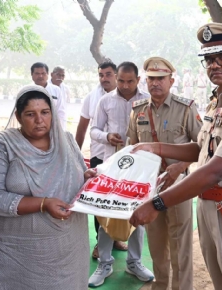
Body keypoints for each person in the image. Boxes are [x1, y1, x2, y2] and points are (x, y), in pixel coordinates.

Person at [127, 22, 222, 290]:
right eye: (209, 59)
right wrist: (157, 147)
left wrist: (156, 204)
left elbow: (215, 169)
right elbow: (202, 149)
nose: (214, 65)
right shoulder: (221, 101)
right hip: (215, 209)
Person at [0, 85, 90, 289]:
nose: (39, 120)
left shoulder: (67, 141)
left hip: (68, 251)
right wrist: (42, 204)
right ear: (18, 116)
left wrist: (90, 177)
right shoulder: (2, 144)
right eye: (30, 114)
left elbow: (79, 176)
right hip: (17, 256)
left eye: (45, 112)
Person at [128, 56, 202, 290]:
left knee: (180, 248)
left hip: (179, 186)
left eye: (160, 79)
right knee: (157, 246)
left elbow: (203, 148)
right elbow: (131, 148)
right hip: (149, 188)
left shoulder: (186, 108)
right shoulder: (138, 111)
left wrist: (179, 166)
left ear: (171, 80)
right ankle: (160, 286)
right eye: (151, 79)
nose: (155, 83)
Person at [88, 61, 153, 287]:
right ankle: (104, 262)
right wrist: (107, 137)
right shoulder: (105, 101)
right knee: (107, 212)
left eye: (130, 81)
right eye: (121, 80)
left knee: (138, 215)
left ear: (138, 79)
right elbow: (94, 130)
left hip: (140, 168)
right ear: (116, 78)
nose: (125, 86)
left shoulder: (147, 100)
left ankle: (134, 262)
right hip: (112, 167)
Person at [75, 61, 128, 259]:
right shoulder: (93, 97)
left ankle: (115, 237)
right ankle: (100, 242)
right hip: (100, 157)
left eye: (108, 74)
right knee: (101, 201)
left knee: (120, 198)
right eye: (101, 75)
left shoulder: (133, 96)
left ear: (116, 75)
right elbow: (83, 128)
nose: (104, 78)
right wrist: (76, 154)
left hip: (126, 159)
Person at [30, 62, 67, 130]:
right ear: (32, 75)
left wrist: (61, 131)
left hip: (52, 128)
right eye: (37, 73)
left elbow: (61, 112)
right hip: (32, 128)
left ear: (47, 74)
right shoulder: (26, 90)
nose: (40, 76)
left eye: (43, 73)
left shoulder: (56, 90)